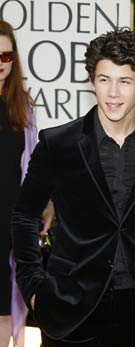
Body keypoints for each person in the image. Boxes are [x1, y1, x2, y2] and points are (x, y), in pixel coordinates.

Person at [11, 28, 135, 347]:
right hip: (69, 304)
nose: (113, 93)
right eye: (104, 79)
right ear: (92, 82)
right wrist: (32, 287)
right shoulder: (58, 143)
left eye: (124, 81)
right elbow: (24, 215)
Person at [0, 20, 53, 347]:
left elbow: (33, 170)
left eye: (6, 56)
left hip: (10, 228)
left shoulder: (23, 110)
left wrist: (46, 204)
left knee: (8, 311)